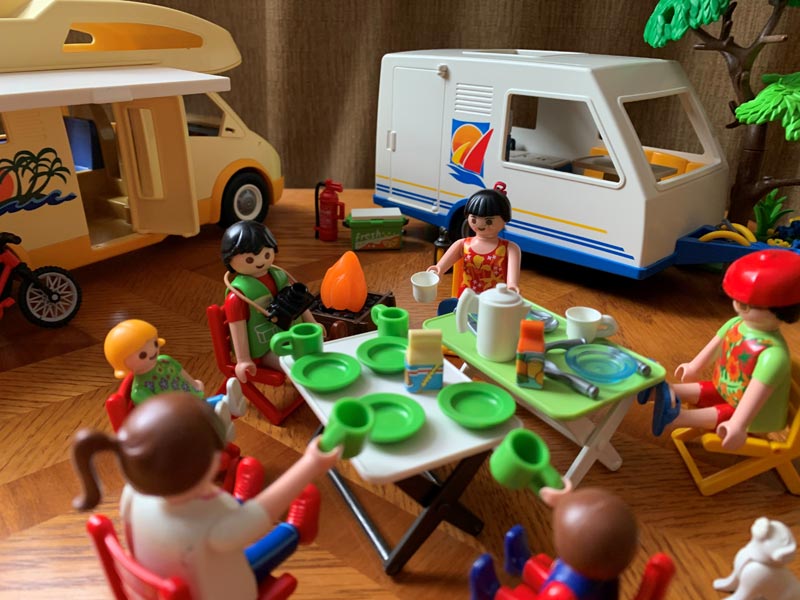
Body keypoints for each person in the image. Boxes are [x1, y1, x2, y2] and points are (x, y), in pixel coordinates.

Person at [72, 393, 340, 600]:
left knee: (232, 523)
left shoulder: (133, 493)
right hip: (222, 593)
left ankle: (238, 501)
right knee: (264, 547)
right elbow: (260, 516)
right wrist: (311, 464)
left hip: (159, 582)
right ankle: (296, 530)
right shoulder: (212, 529)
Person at [646, 249, 800, 450]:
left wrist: (738, 425)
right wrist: (694, 366)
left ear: (782, 310)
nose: (738, 306)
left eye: (747, 305)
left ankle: (678, 418)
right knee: (708, 389)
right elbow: (715, 346)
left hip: (754, 414)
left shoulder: (773, 355)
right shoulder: (736, 324)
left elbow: (755, 396)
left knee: (728, 411)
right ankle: (660, 391)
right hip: (729, 389)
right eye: (739, 301)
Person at [221, 221, 319, 380]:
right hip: (265, 349)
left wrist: (313, 323)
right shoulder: (238, 296)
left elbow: (298, 303)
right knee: (298, 366)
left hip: (292, 335)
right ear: (229, 260)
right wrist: (243, 360)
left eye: (266, 255)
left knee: (317, 354)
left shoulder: (279, 276)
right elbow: (238, 327)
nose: (260, 262)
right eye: (250, 260)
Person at [427, 182, 521, 297]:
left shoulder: (510, 248)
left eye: (489, 221)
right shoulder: (463, 244)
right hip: (467, 297)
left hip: (495, 299)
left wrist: (512, 286)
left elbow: (512, 281)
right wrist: (437, 271)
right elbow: (441, 267)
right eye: (474, 219)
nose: (480, 224)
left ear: (505, 219)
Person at [104, 318, 206, 405]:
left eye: (155, 344)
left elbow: (182, 374)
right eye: (142, 355)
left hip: (194, 398)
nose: (152, 351)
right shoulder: (140, 391)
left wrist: (195, 385)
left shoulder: (165, 360)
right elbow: (157, 412)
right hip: (179, 416)